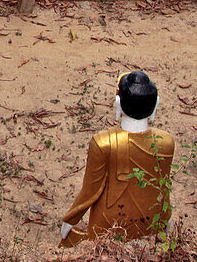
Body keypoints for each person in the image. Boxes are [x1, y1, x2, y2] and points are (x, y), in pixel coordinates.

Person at [59, 70, 175, 246]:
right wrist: (165, 218)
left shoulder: (104, 143)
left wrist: (71, 219)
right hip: (148, 220)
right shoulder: (165, 142)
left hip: (109, 221)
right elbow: (161, 189)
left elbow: (91, 190)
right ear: (156, 104)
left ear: (118, 103)